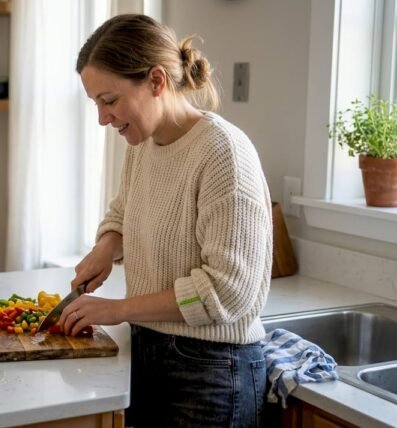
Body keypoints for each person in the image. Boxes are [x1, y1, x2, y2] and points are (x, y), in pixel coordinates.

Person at [60, 14, 272, 427]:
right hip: (149, 351)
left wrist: (117, 309)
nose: (103, 118)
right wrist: (105, 248)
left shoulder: (222, 152)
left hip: (211, 371)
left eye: (110, 100)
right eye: (96, 104)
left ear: (156, 81)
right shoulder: (144, 143)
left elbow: (226, 292)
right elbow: (124, 210)